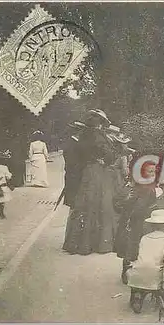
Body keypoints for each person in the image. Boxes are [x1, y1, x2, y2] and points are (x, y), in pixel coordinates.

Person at [62, 109, 119, 255]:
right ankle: (99, 243)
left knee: (85, 206)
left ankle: (79, 243)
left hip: (86, 173)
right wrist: (109, 158)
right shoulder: (100, 137)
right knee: (103, 205)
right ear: (100, 123)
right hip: (99, 172)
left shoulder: (81, 136)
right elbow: (109, 156)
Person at [114, 160, 164, 284]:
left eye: (154, 171)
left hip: (141, 220)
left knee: (138, 247)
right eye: (149, 171)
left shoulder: (148, 187)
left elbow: (149, 204)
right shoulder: (139, 188)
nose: (152, 173)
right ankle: (127, 272)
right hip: (135, 221)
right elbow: (128, 204)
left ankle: (135, 271)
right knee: (132, 247)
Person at [126, 209, 164, 321]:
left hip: (136, 275)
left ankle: (138, 295)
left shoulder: (144, 238)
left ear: (152, 226)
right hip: (154, 278)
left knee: (142, 274)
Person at [62, 121, 87, 209]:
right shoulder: (72, 143)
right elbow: (71, 162)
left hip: (74, 175)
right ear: (79, 132)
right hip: (74, 176)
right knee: (74, 204)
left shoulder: (74, 142)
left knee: (76, 204)